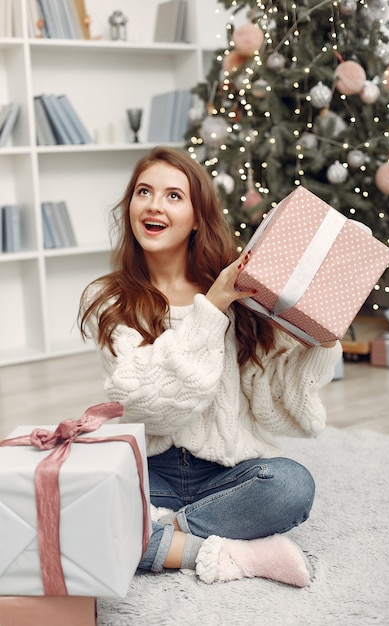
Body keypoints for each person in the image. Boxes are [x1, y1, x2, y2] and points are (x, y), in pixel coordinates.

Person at [78, 146, 342, 587]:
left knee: (292, 485)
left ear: (198, 216)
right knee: (74, 504)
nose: (154, 205)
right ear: (130, 208)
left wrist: (323, 337)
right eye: (144, 192)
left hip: (228, 474)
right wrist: (212, 306)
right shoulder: (108, 300)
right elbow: (150, 405)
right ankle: (232, 551)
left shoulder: (240, 293)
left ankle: (158, 534)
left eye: (173, 196)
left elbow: (277, 397)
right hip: (152, 470)